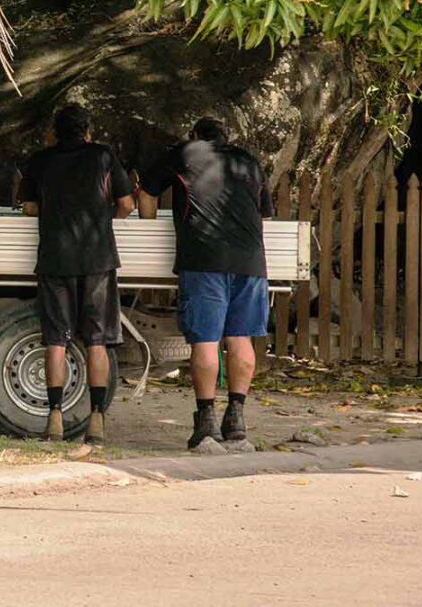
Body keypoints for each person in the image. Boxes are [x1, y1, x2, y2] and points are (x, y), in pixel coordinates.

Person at [138, 117, 274, 450]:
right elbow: (264, 215)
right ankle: (237, 421)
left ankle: (206, 422)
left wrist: (148, 226)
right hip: (251, 261)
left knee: (206, 341)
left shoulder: (185, 153)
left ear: (195, 137)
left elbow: (146, 194)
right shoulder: (248, 161)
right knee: (240, 339)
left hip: (204, 259)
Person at [17, 104, 135, 445]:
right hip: (97, 260)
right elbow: (126, 204)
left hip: (55, 260)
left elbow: (27, 206)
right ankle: (96, 420)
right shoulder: (103, 156)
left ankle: (54, 417)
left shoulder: (41, 160)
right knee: (97, 341)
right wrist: (102, 214)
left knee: (55, 339)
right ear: (88, 130)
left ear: (55, 131)